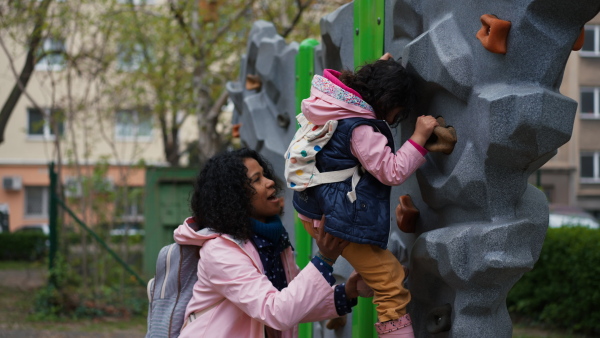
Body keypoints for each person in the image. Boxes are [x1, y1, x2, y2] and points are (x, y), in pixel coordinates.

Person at [291, 53, 439, 337]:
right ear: (387, 100)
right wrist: (419, 137)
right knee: (392, 287)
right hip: (336, 219)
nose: (397, 119)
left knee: (382, 273)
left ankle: (367, 281)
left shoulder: (335, 102)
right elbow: (391, 171)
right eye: (399, 112)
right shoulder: (359, 128)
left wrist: (383, 69)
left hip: (316, 209)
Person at [173, 148, 368, 338]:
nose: (271, 182)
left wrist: (348, 292)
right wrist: (325, 259)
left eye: (265, 175)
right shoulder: (220, 251)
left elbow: (293, 304)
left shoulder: (272, 242)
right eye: (257, 180)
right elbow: (276, 311)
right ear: (235, 197)